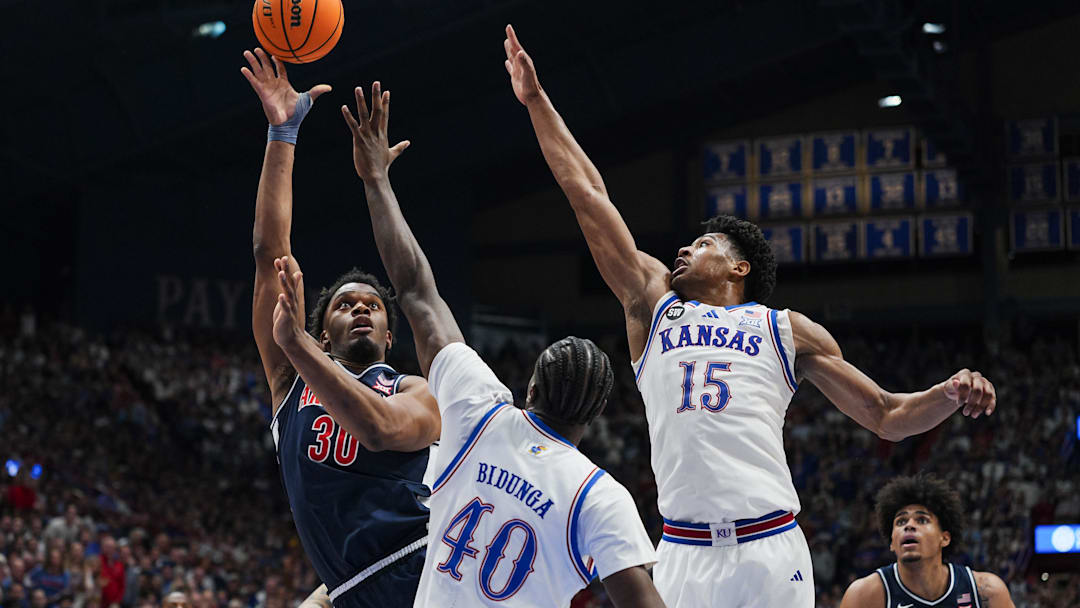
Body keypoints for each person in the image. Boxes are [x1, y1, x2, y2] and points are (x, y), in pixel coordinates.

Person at [502, 24, 999, 608]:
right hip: (683, 550)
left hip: (770, 548)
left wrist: (947, 393)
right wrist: (537, 102)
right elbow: (589, 194)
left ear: (739, 269)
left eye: (703, 243)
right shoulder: (652, 304)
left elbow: (887, 415)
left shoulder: (785, 329)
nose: (684, 250)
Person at [278, 79, 666, 607]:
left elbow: (415, 289)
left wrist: (376, 181)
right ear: (594, 418)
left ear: (528, 388)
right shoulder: (600, 494)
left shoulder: (482, 411)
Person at [240, 48, 441, 608]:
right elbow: (268, 252)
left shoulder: (415, 391)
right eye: (345, 304)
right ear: (324, 332)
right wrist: (283, 134)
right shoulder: (290, 381)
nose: (360, 309)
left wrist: (300, 347)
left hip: (427, 573)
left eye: (373, 306)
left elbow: (379, 431)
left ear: (389, 335)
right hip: (352, 592)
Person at [840, 474, 1014, 608]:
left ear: (944, 538)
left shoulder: (986, 592)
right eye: (901, 522)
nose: (909, 526)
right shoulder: (865, 596)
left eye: (922, 520)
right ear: (892, 543)